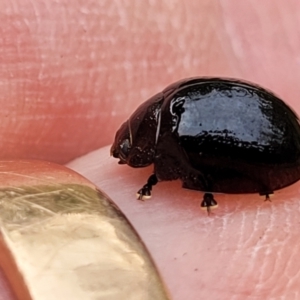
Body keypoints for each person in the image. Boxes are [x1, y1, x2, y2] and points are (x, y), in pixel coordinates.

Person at [1, 1, 299, 299]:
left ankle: (236, 187)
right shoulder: (172, 106)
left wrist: (156, 181)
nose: (127, 157)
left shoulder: (175, 122)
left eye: (131, 148)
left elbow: (185, 165)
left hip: (279, 145)